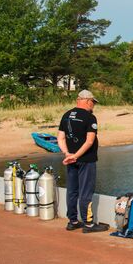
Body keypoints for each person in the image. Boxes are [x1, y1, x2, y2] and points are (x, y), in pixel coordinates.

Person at [57, 90, 109, 233]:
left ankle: (72, 221)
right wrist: (77, 155)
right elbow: (89, 141)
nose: (93, 105)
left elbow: (60, 138)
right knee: (86, 191)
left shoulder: (66, 116)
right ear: (87, 101)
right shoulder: (90, 117)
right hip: (86, 160)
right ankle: (89, 224)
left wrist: (68, 154)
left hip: (70, 159)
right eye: (93, 102)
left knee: (72, 191)